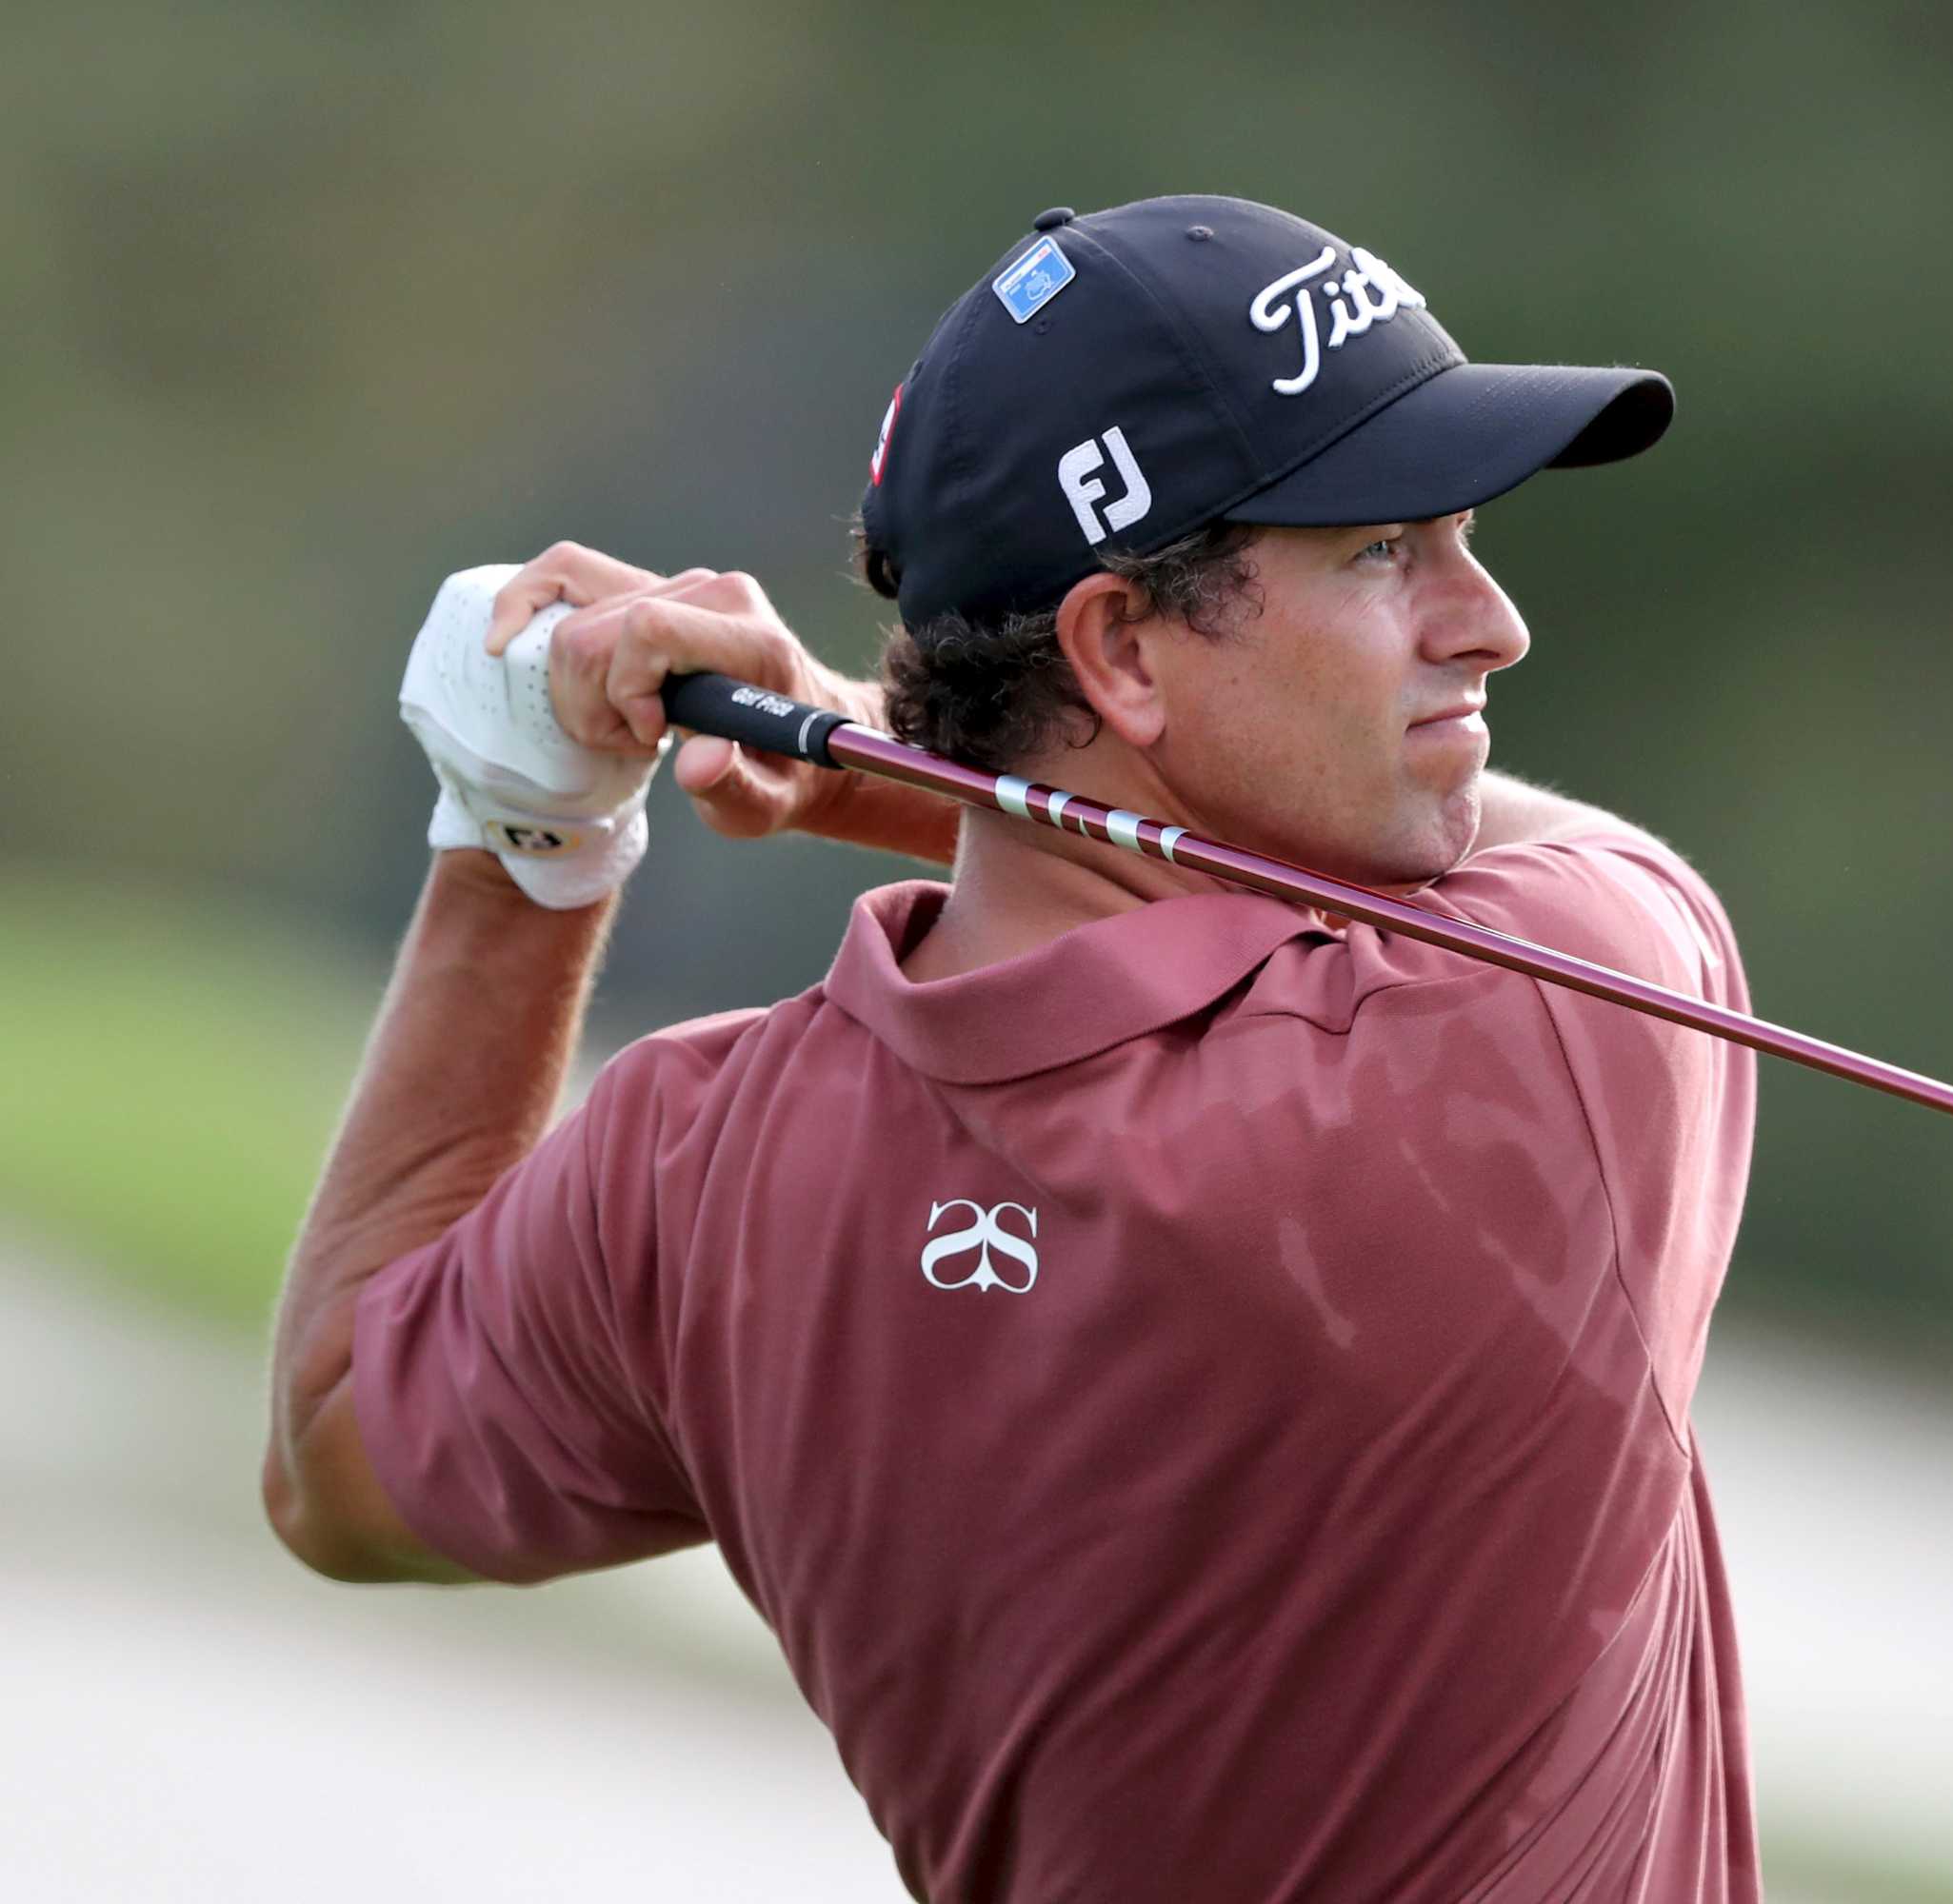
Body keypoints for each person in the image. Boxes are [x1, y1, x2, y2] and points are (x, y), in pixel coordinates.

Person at [264, 195, 1760, 1902]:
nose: (1487, 621)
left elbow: (334, 1464)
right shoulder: (1554, 1027)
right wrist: (861, 760)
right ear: (1118, 650)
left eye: (1461, 537)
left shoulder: (693, 1175)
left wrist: (524, 823)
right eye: (1381, 550)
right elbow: (1526, 858)